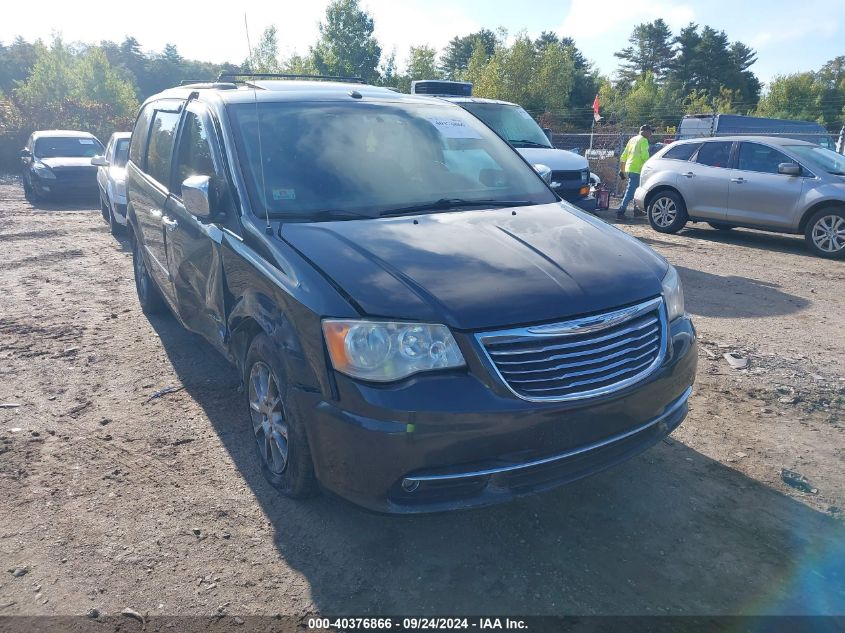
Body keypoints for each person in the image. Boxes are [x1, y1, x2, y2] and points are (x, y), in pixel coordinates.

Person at [615, 124, 653, 219]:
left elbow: (624, 155)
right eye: (650, 132)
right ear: (644, 131)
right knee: (631, 191)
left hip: (629, 168)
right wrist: (651, 165)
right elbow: (645, 156)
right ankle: (621, 211)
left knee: (636, 190)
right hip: (637, 169)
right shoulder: (643, 140)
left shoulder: (632, 139)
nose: (651, 134)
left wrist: (622, 169)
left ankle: (636, 210)